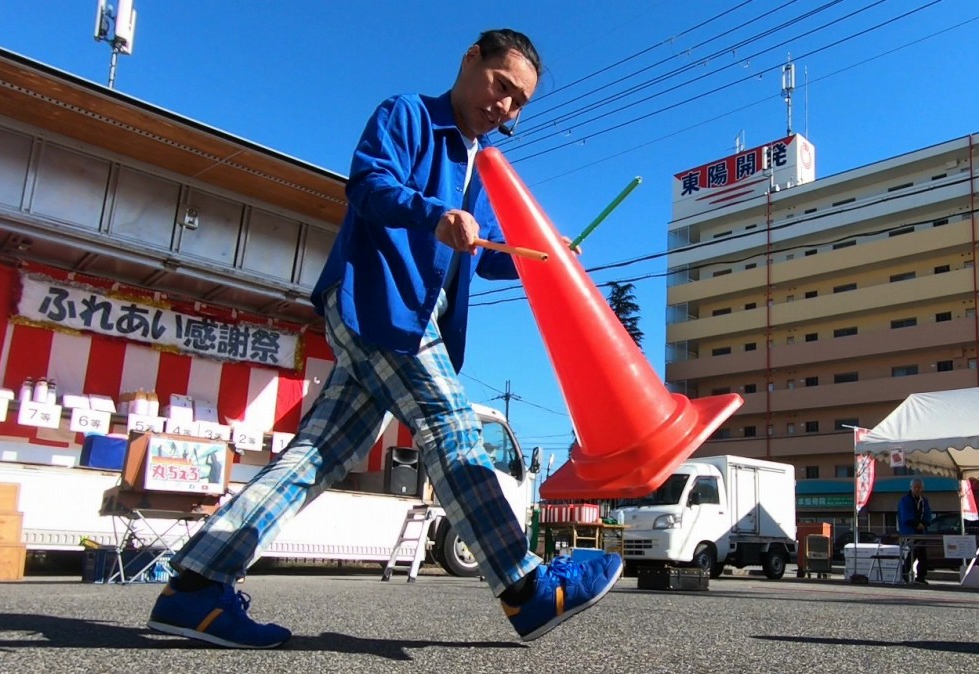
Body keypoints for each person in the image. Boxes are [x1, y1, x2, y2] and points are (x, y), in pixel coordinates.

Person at [145, 29, 623, 649]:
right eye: (501, 86)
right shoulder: (408, 115)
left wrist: (547, 255)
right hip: (382, 304)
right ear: (469, 59)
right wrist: (434, 214)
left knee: (315, 457)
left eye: (519, 102)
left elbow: (488, 251)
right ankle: (526, 590)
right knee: (454, 430)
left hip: (400, 320)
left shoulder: (481, 161)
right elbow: (367, 187)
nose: (505, 107)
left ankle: (194, 589)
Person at [897, 479, 933, 584]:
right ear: (911, 488)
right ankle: (907, 572)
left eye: (919, 487)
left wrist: (924, 524)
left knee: (921, 553)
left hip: (921, 532)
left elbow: (928, 514)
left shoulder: (924, 501)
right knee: (916, 551)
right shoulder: (905, 500)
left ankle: (918, 576)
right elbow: (906, 517)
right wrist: (916, 524)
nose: (917, 489)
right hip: (909, 531)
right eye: (915, 487)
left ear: (922, 488)